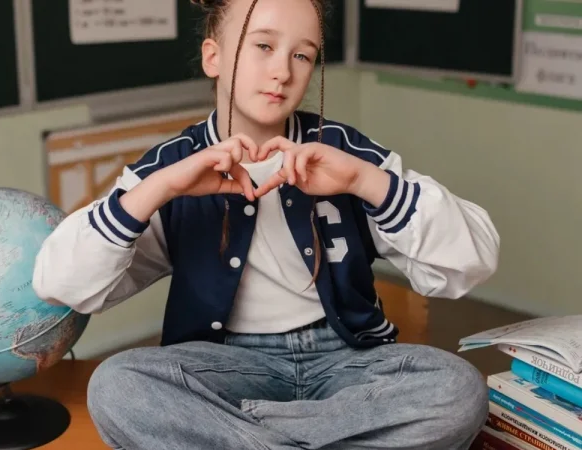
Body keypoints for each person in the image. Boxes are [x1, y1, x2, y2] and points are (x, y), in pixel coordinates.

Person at [32, 0, 500, 448]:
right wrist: (160, 189)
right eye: (263, 46)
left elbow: (472, 260)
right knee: (117, 386)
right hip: (224, 369)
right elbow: (60, 285)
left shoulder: (346, 153)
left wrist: (365, 181)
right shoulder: (170, 167)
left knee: (458, 388)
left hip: (347, 365)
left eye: (303, 55)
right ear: (213, 57)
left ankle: (250, 435)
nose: (283, 71)